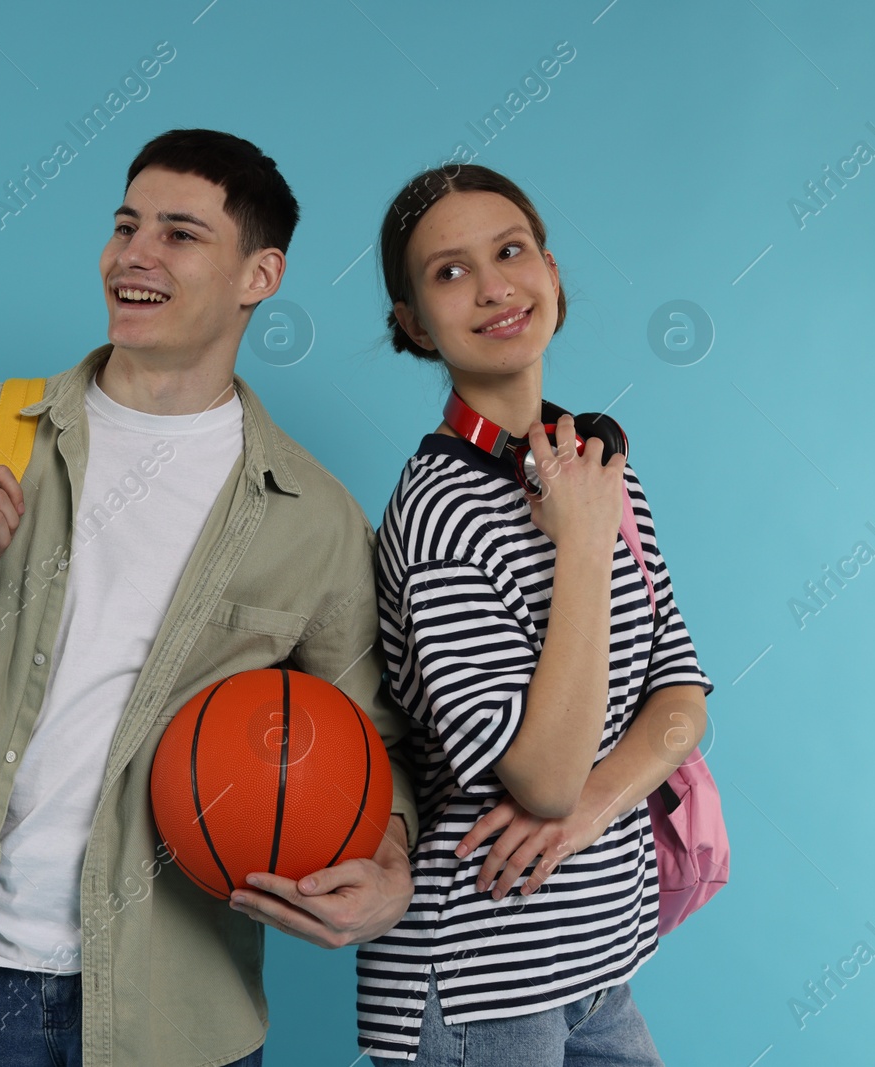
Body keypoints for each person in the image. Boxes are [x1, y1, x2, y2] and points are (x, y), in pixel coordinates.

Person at [0, 129, 423, 1067]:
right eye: (124, 225)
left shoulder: (313, 517)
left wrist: (391, 868)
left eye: (180, 234)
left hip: (177, 1005)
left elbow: (373, 736)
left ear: (258, 275)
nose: (134, 255)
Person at [355, 163, 714, 1064]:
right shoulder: (439, 511)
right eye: (448, 272)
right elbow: (541, 779)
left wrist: (593, 808)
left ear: (551, 272)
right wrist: (584, 547)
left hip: (601, 964)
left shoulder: (598, 465)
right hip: (480, 984)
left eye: (510, 252)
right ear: (412, 322)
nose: (492, 287)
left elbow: (683, 698)